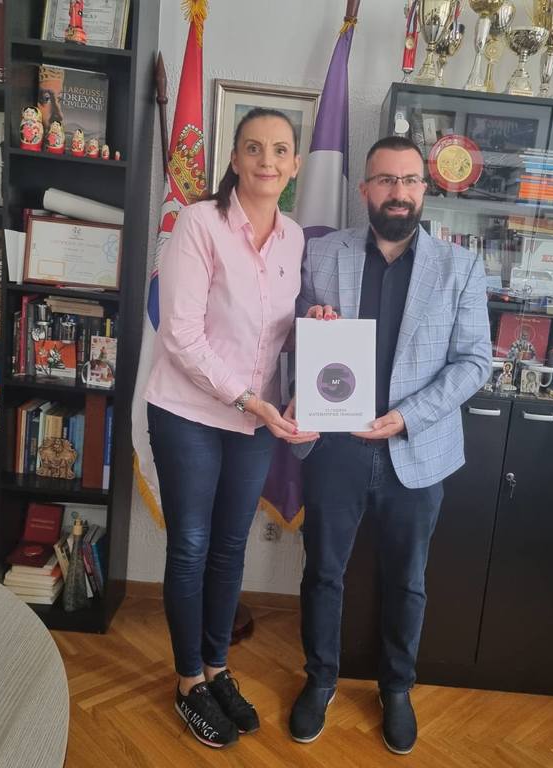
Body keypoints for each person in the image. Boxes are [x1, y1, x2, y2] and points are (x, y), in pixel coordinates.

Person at [287, 136, 490, 755]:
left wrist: (407, 417)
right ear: (365, 189)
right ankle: (320, 679)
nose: (398, 192)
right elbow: (290, 333)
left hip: (417, 448)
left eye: (409, 181)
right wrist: (308, 327)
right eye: (385, 180)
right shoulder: (322, 253)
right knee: (323, 573)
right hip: (335, 446)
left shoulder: (460, 267)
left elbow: (475, 362)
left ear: (424, 189)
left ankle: (397, 688)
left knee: (408, 580)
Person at [144, 108, 317, 750]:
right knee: (191, 546)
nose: (267, 160)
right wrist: (249, 400)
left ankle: (218, 669)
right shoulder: (200, 223)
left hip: (256, 419)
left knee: (229, 547)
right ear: (236, 159)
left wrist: (317, 327)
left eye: (280, 150)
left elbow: (275, 332)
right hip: (189, 413)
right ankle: (188, 681)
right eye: (254, 148)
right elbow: (180, 334)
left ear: (295, 165)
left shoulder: (294, 238)